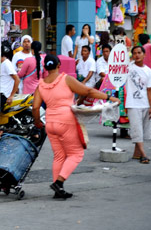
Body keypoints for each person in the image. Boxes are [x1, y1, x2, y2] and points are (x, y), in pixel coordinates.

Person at [32, 54, 119, 199]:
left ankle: (57, 190)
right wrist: (109, 97)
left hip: (50, 122)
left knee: (59, 156)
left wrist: (37, 122)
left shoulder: (40, 85)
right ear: (59, 65)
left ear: (45, 68)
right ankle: (59, 183)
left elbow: (35, 108)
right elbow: (88, 91)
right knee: (76, 154)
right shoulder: (65, 79)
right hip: (65, 120)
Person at [125, 45, 151, 163]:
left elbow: (149, 90)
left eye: (139, 53)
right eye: (134, 53)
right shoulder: (128, 68)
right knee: (137, 129)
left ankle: (136, 154)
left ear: (144, 55)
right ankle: (143, 155)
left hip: (145, 104)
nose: (137, 55)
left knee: (143, 130)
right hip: (132, 104)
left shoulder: (148, 71)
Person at [0, 45, 20, 111]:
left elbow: (17, 79)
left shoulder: (6, 64)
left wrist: (11, 96)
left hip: (4, 95)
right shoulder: (0, 63)